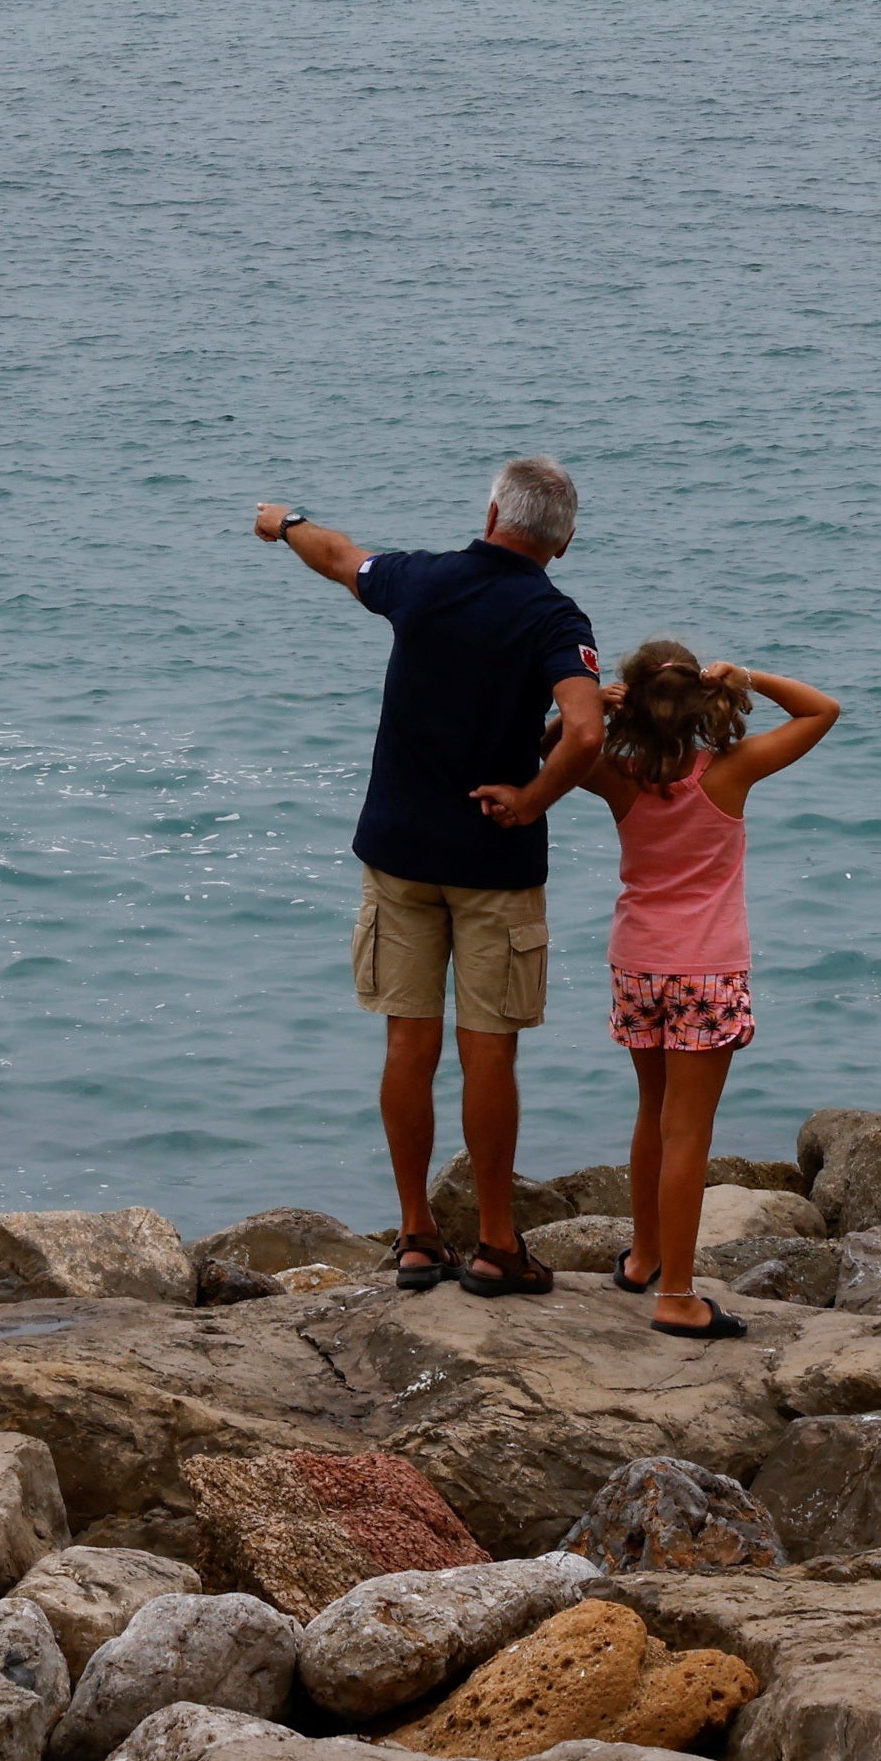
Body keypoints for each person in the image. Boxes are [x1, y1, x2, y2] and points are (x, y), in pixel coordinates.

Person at [256, 459, 602, 1296]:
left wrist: (283, 521)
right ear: (563, 541)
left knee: (407, 1045)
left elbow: (340, 555)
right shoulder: (552, 615)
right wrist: (528, 800)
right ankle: (494, 1246)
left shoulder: (422, 582)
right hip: (494, 862)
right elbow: (586, 733)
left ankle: (416, 1237)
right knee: (489, 1055)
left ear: (491, 512)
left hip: (399, 854)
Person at [474, 640, 838, 1340]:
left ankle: (643, 1256)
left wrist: (579, 712)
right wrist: (748, 675)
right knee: (688, 1131)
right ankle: (676, 1293)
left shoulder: (619, 773)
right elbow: (823, 710)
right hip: (708, 969)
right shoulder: (731, 771)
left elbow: (546, 755)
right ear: (700, 700)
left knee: (652, 1113)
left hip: (637, 964)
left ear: (632, 702)